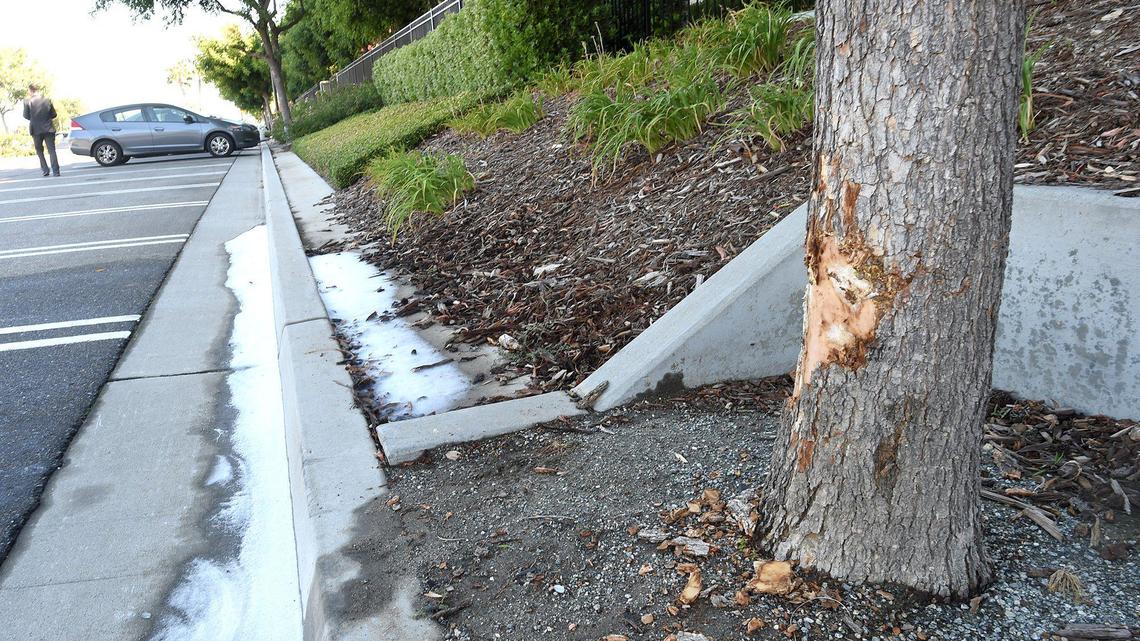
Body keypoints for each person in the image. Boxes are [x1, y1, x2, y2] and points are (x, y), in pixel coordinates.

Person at [23, 83, 60, 177]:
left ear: (30, 90)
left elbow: (26, 116)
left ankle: (45, 170)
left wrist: (34, 118)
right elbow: (54, 114)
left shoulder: (27, 102)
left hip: (35, 130)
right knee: (52, 150)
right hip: (48, 129)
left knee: (39, 151)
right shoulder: (47, 100)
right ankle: (56, 172)